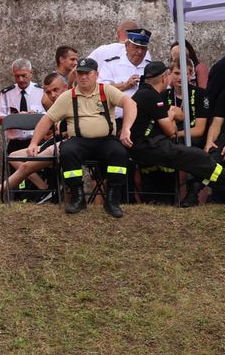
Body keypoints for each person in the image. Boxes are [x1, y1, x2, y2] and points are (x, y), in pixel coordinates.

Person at [30, 58, 136, 217]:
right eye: (80, 73)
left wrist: (126, 129)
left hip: (106, 141)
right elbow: (48, 119)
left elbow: (130, 104)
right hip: (79, 141)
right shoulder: (68, 96)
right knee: (67, 151)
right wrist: (34, 143)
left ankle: (113, 199)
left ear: (96, 75)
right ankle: (77, 196)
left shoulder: (106, 90)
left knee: (119, 152)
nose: (83, 77)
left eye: (88, 73)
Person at [129, 60, 224, 206]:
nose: (179, 77)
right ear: (165, 77)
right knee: (198, 157)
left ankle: (192, 193)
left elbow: (197, 130)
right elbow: (171, 131)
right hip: (151, 146)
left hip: (151, 145)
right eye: (175, 73)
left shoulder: (144, 93)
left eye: (184, 73)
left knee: (200, 157)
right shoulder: (154, 96)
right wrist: (172, 114)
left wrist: (171, 117)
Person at [0, 71, 65, 204]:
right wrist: (16, 117)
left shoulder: (65, 100)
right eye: (48, 92)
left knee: (25, 167)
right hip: (38, 142)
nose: (52, 95)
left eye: (56, 90)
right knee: (14, 156)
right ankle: (45, 189)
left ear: (31, 74)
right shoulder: (7, 93)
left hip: (60, 145)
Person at [93, 28, 150, 95]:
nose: (140, 51)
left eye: (143, 48)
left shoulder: (150, 67)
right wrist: (125, 85)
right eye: (136, 47)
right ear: (127, 46)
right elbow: (101, 89)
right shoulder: (111, 65)